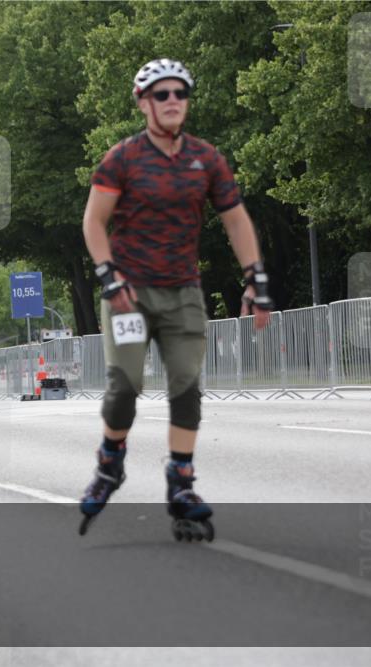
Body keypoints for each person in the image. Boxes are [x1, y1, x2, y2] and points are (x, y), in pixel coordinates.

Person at [78, 59, 274, 539]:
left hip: (183, 291)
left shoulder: (206, 159)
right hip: (128, 293)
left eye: (179, 94)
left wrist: (257, 278)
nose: (171, 102)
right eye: (161, 94)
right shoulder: (121, 158)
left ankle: (181, 481)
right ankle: (110, 462)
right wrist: (109, 277)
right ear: (143, 102)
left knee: (186, 387)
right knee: (124, 387)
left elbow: (235, 219)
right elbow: (93, 222)